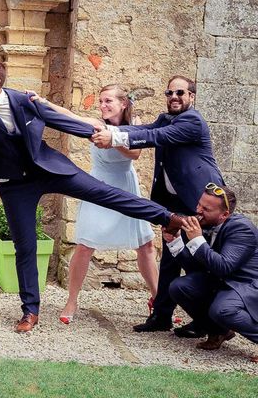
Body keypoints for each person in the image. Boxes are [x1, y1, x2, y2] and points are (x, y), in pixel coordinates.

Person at [0, 57, 184, 332]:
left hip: (48, 169)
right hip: (14, 185)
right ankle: (30, 312)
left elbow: (59, 121)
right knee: (24, 247)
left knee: (104, 193)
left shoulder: (23, 101)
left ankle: (167, 217)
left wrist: (98, 135)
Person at [92, 75, 224, 335]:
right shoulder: (166, 119)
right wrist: (111, 130)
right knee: (171, 259)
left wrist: (115, 139)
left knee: (198, 263)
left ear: (191, 97)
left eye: (180, 93)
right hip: (173, 202)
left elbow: (155, 136)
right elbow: (144, 130)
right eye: (169, 93)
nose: (174, 97)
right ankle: (162, 317)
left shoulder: (192, 121)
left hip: (200, 204)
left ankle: (207, 322)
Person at [29, 85, 157, 324]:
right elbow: (68, 115)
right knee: (85, 244)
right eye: (101, 102)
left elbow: (135, 154)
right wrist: (42, 101)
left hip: (126, 183)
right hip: (98, 183)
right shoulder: (94, 123)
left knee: (145, 245)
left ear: (123, 104)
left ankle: (158, 299)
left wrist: (111, 139)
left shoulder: (135, 124)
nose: (103, 106)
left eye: (108, 101)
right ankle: (72, 300)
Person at [165, 184, 258, 361]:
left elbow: (223, 266)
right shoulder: (208, 223)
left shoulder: (242, 229)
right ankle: (218, 332)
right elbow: (196, 267)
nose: (198, 210)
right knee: (180, 287)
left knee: (223, 310)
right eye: (199, 204)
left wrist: (197, 239)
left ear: (224, 215)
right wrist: (174, 241)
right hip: (223, 281)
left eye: (206, 209)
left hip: (247, 284)